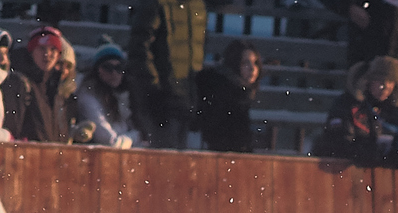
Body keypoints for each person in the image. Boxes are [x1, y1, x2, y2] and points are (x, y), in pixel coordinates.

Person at [129, 0, 206, 148]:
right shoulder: (157, 4)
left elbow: (196, 51)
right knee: (163, 160)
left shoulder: (196, 5)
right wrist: (153, 92)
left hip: (186, 98)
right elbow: (139, 50)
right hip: (161, 100)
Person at [313, 54, 398, 166]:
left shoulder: (395, 113)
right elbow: (337, 143)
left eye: (391, 82)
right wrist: (368, 152)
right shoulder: (346, 105)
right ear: (367, 81)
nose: (385, 87)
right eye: (380, 81)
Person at [2, 26, 71, 143]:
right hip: (28, 156)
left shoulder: (56, 87)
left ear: (59, 55)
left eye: (53, 49)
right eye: (42, 48)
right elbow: (13, 131)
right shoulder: (19, 83)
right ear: (31, 51)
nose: (47, 54)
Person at [73, 41, 143, 147]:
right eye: (107, 67)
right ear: (97, 70)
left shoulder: (124, 95)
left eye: (118, 68)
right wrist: (135, 136)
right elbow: (110, 141)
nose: (114, 73)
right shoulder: (88, 95)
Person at [195, 39, 259, 152]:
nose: (252, 68)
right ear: (234, 63)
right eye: (245, 63)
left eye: (255, 63)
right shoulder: (222, 91)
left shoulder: (242, 91)